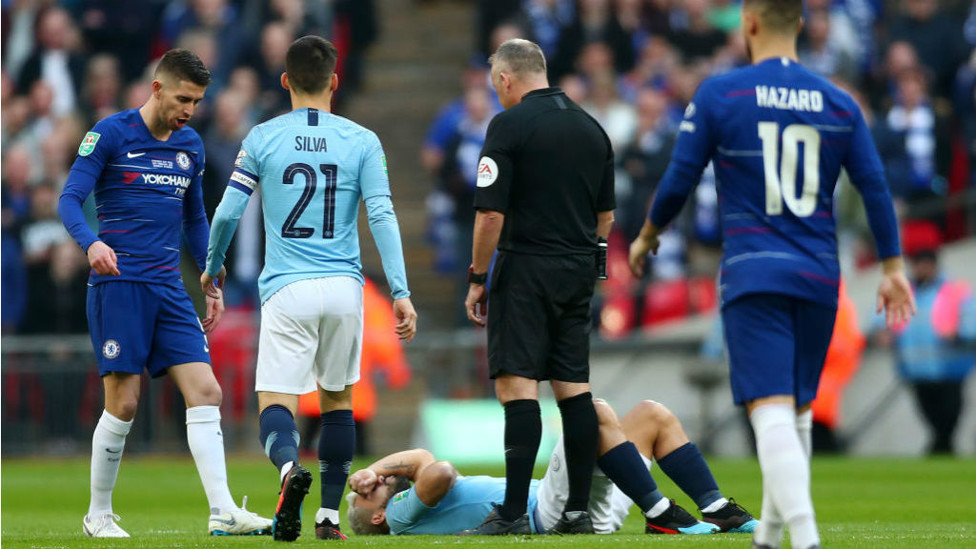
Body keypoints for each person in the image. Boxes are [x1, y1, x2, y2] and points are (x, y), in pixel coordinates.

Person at [627, 2, 916, 548]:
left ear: (749, 24)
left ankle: (804, 541)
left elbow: (679, 178)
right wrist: (893, 266)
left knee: (770, 410)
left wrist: (647, 236)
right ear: (800, 25)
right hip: (818, 276)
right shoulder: (838, 100)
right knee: (795, 412)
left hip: (755, 271)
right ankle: (770, 536)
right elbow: (875, 188)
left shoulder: (721, 93)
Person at [203, 35, 417, 542]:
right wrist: (402, 291)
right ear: (335, 82)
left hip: (288, 287)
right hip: (345, 287)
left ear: (285, 82)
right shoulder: (362, 141)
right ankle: (326, 517)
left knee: (276, 399)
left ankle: (286, 472)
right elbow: (382, 215)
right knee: (338, 401)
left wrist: (213, 266)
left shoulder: (262, 137)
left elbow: (230, 209)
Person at [57, 49, 272, 538]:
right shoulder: (110, 134)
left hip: (169, 287)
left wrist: (211, 275)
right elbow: (69, 198)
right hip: (120, 286)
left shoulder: (190, 145)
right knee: (125, 402)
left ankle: (222, 511)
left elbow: (194, 217)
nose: (189, 110)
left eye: (196, 101)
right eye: (182, 98)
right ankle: (98, 515)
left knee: (206, 391)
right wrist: (90, 242)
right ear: (156, 89)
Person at [463, 38, 615, 535]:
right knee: (574, 388)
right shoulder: (592, 128)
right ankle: (575, 513)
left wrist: (478, 277)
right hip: (577, 268)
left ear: (507, 78)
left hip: (525, 265)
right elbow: (606, 217)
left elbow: (490, 213)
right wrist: (583, 255)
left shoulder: (508, 125)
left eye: (496, 84)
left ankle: (510, 512)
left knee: (517, 384)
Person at [345, 398, 758, 536]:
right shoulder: (399, 519)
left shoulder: (404, 505)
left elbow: (420, 459)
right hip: (547, 511)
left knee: (651, 415)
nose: (374, 483)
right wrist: (381, 474)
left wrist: (375, 468)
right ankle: (661, 514)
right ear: (378, 514)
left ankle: (714, 505)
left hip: (567, 500)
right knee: (590, 412)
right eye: (367, 493)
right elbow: (438, 470)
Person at [876, 220, 976, 455]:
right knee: (935, 423)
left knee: (946, 423)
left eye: (926, 261)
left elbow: (971, 324)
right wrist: (881, 335)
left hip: (950, 371)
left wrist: (959, 335)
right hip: (917, 372)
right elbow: (881, 323)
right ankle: (942, 455)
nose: (921, 266)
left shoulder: (955, 290)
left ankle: (939, 454)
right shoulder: (901, 292)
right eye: (917, 261)